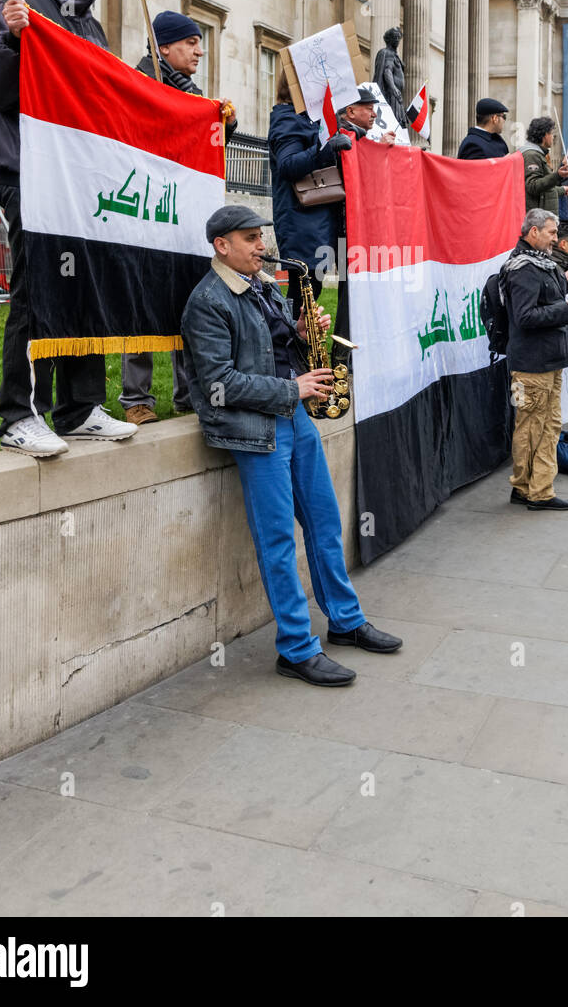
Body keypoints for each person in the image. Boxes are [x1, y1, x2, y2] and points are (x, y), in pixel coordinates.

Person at [180, 204, 402, 686]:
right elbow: (218, 383)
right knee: (278, 540)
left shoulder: (263, 287)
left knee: (324, 522)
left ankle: (345, 622)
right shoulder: (208, 301)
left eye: (261, 236)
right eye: (250, 238)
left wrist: (305, 334)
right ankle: (297, 649)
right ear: (222, 245)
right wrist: (292, 390)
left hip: (293, 419)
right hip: (256, 431)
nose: (262, 246)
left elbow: (279, 350)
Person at [0, 0, 137, 457]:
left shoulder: (90, 23)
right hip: (33, 173)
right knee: (38, 289)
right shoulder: (15, 6)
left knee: (85, 288)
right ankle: (22, 413)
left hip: (83, 181)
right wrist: (13, 40)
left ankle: (81, 408)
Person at [121, 10, 239, 426]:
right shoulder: (139, 81)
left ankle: (189, 393)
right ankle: (136, 399)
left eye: (198, 42)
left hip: (183, 214)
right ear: (163, 47)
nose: (199, 50)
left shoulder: (190, 92)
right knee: (140, 300)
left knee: (186, 300)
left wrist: (224, 121)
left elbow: (207, 145)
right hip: (147, 209)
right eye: (191, 43)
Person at [501, 208, 568, 511]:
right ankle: (539, 492)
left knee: (536, 424)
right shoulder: (523, 267)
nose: (555, 237)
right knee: (540, 426)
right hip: (533, 365)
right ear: (533, 232)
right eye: (551, 231)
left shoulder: (538, 262)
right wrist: (566, 309)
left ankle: (525, 487)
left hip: (545, 361)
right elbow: (525, 316)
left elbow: (544, 297)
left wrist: (567, 283)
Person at [268, 72, 349, 319]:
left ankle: (301, 351)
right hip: (302, 224)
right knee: (303, 296)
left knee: (314, 290)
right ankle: (291, 352)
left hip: (320, 223)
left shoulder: (310, 119)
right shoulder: (286, 119)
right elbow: (288, 165)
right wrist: (325, 149)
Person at [330, 87, 394, 362]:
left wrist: (379, 144)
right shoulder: (343, 136)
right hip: (347, 229)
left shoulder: (358, 137)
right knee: (349, 294)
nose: (374, 113)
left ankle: (350, 353)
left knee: (358, 291)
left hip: (358, 228)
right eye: (368, 108)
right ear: (351, 111)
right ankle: (341, 357)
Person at [519, 117, 568, 215]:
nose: (553, 137)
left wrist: (562, 190)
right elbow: (533, 186)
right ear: (545, 135)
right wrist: (558, 175)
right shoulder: (532, 155)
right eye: (552, 133)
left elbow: (545, 189)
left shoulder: (537, 154)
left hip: (541, 217)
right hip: (538, 219)